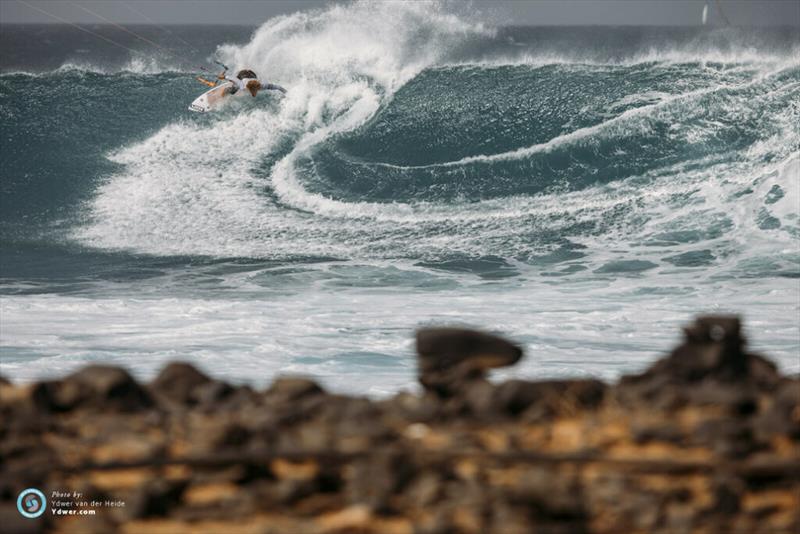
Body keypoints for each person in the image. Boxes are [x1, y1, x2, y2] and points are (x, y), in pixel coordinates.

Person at [217, 68, 287, 96]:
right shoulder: (242, 86)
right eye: (254, 90)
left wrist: (286, 92)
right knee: (233, 90)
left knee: (237, 83)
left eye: (256, 89)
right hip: (242, 73)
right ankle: (225, 91)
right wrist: (223, 77)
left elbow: (278, 87)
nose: (255, 92)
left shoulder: (261, 86)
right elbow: (233, 78)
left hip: (251, 74)